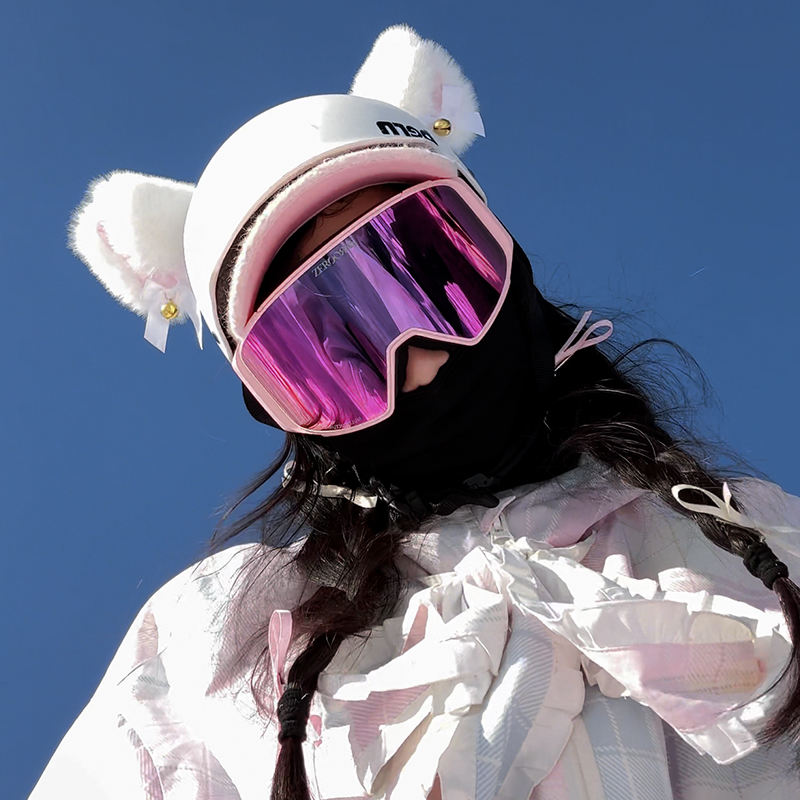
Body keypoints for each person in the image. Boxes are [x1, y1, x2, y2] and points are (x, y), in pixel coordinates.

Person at [31, 23, 800, 800]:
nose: (419, 359)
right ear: (288, 413)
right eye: (329, 352)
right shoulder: (214, 647)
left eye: (430, 279)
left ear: (503, 259)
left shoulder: (749, 541)